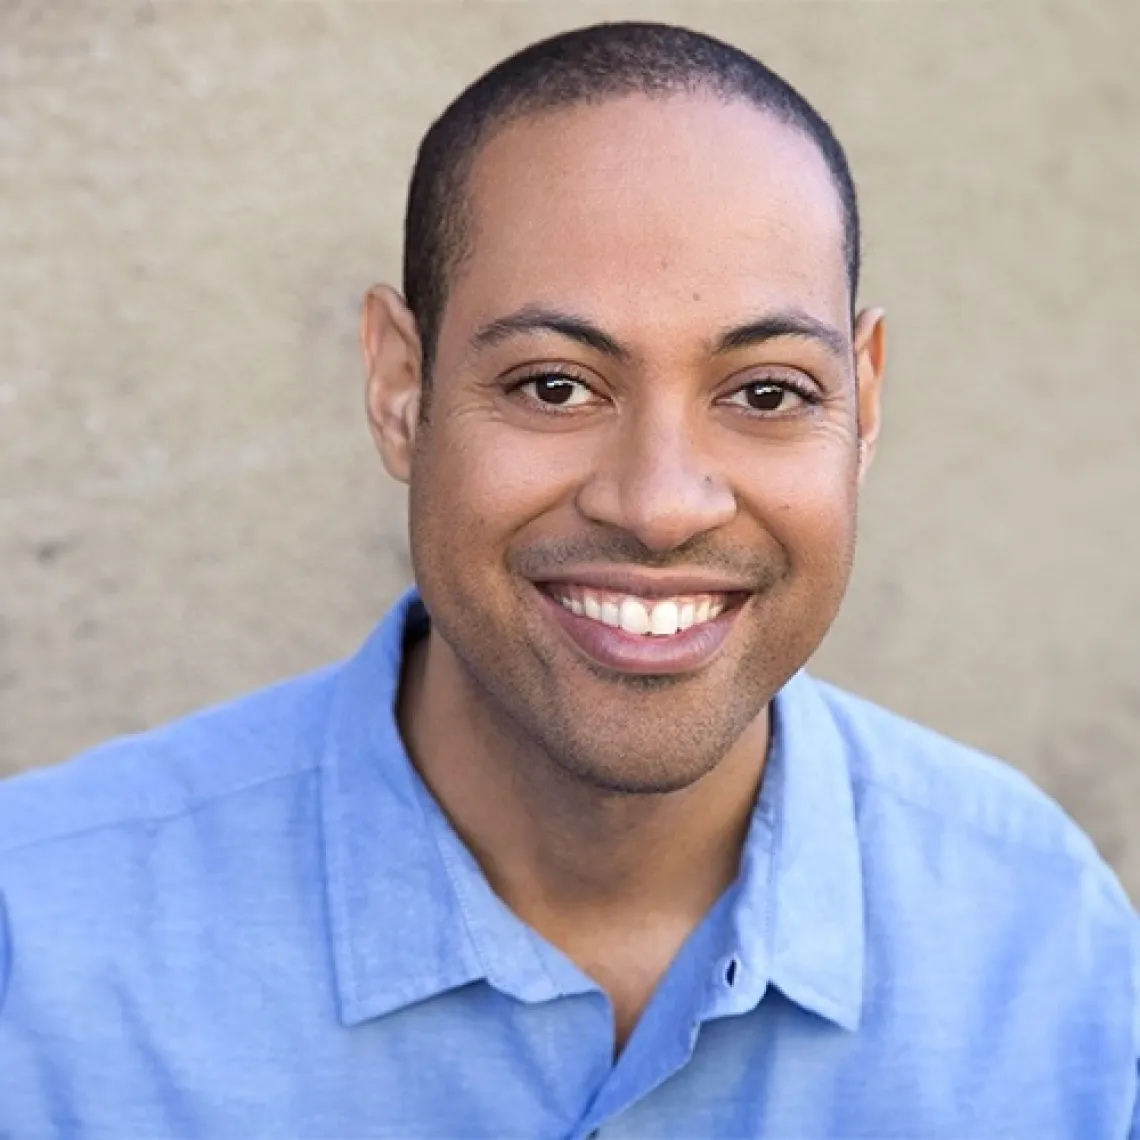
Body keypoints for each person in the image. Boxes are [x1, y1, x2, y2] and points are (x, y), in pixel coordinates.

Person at [1, 20, 1136, 1139]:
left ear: (866, 407)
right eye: (554, 385)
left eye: (767, 393)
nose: (658, 503)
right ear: (403, 388)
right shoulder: (41, 948)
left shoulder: (1043, 945)